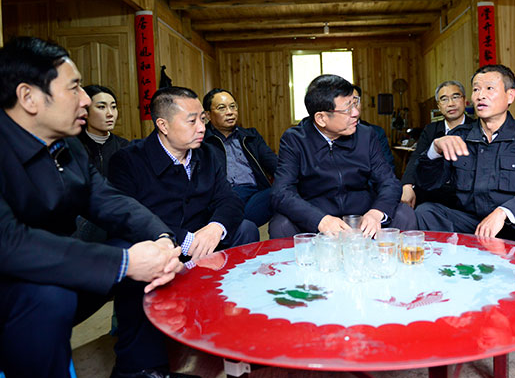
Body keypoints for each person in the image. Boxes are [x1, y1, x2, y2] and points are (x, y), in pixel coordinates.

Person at [0, 37, 201, 378]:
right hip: (16, 285)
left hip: (57, 269)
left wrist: (160, 240)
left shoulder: (67, 145)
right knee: (48, 297)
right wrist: (125, 263)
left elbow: (109, 200)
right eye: (74, 87)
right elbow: (9, 244)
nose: (85, 100)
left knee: (140, 251)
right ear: (28, 97)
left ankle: (136, 373)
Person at [414, 65, 515, 246]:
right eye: (476, 89)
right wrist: (435, 150)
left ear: (510, 96)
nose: (480, 95)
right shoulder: (459, 137)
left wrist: (505, 212)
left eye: (489, 88)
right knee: (426, 212)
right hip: (471, 225)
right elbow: (427, 184)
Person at [109, 86, 259, 261]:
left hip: (204, 238)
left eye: (202, 119)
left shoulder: (207, 153)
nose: (202, 128)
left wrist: (216, 227)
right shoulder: (128, 160)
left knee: (246, 228)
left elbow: (229, 198)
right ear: (163, 125)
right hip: (159, 242)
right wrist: (186, 241)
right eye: (192, 121)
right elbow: (128, 218)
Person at [269, 74, 416, 239]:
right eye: (347, 109)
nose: (356, 113)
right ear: (321, 118)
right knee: (280, 225)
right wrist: (319, 219)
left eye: (355, 103)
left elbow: (389, 181)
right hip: (318, 216)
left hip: (362, 215)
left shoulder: (366, 135)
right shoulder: (295, 140)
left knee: (404, 214)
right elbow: (281, 192)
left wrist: (376, 212)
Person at [203, 88, 277, 227]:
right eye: (222, 108)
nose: (230, 112)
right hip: (224, 196)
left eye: (233, 106)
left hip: (256, 194)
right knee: (245, 225)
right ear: (208, 115)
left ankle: (230, 224)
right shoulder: (202, 142)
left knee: (279, 192)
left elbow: (274, 164)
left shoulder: (250, 136)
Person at [400, 80, 470, 209]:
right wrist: (407, 185)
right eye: (444, 99)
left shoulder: (476, 128)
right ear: (439, 106)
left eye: (455, 97)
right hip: (434, 193)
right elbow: (416, 157)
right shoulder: (431, 129)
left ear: (464, 100)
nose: (451, 104)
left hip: (465, 196)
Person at [75, 85, 130, 243]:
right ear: (85, 112)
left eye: (113, 107)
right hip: (86, 218)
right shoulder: (74, 146)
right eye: (101, 107)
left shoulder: (126, 147)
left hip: (119, 213)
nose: (110, 113)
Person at [351, 84, 395, 173]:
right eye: (346, 103)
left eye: (356, 102)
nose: (353, 109)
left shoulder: (376, 132)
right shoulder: (331, 134)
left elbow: (387, 168)